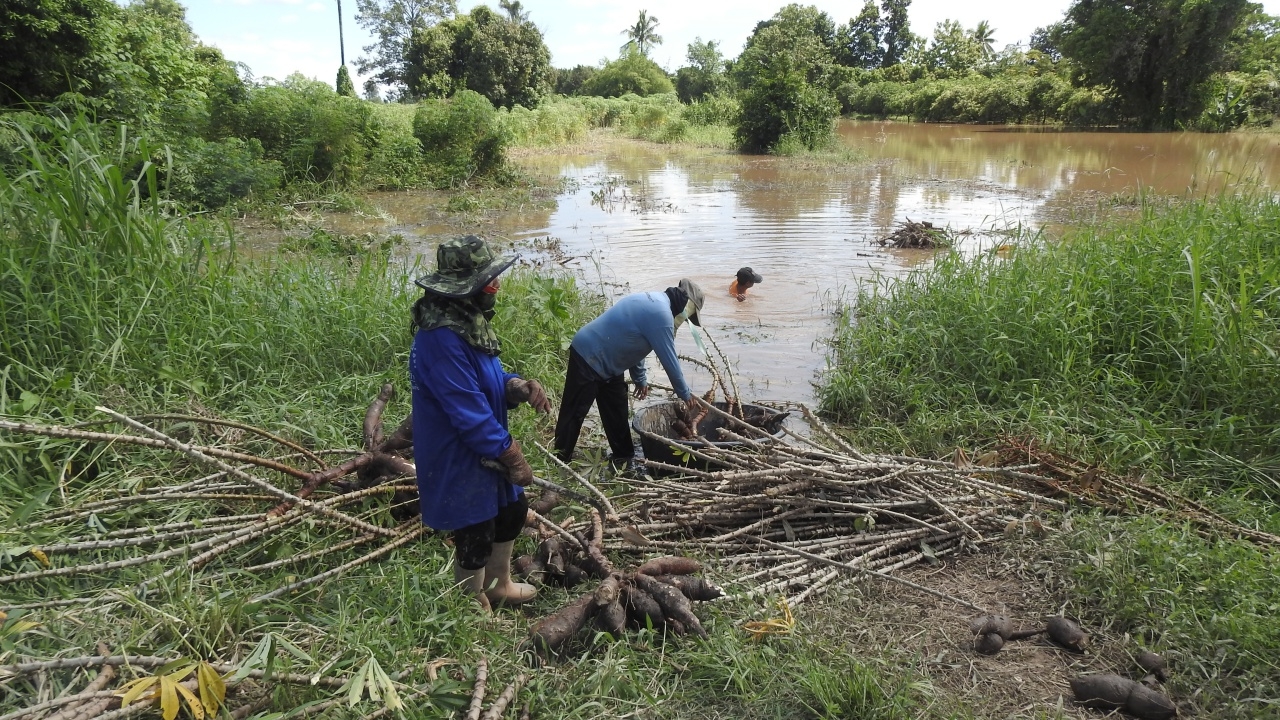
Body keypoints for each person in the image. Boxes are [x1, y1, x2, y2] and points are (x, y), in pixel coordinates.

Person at [409, 235, 552, 611]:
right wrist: (513, 455)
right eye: (490, 280)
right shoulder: (440, 338)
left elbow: (487, 378)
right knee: (475, 526)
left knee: (512, 511)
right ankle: (471, 604)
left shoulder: (468, 321)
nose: (497, 286)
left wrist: (517, 386)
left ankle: (499, 585)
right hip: (458, 447)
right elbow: (467, 411)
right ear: (466, 287)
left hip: (485, 440)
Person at [553, 279, 705, 467]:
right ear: (687, 305)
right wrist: (685, 393)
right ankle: (559, 461)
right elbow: (670, 360)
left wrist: (640, 378)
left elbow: (636, 344)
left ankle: (623, 458)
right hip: (589, 354)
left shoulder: (655, 302)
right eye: (689, 316)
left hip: (610, 362)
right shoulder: (662, 315)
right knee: (574, 412)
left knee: (617, 412)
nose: (685, 321)